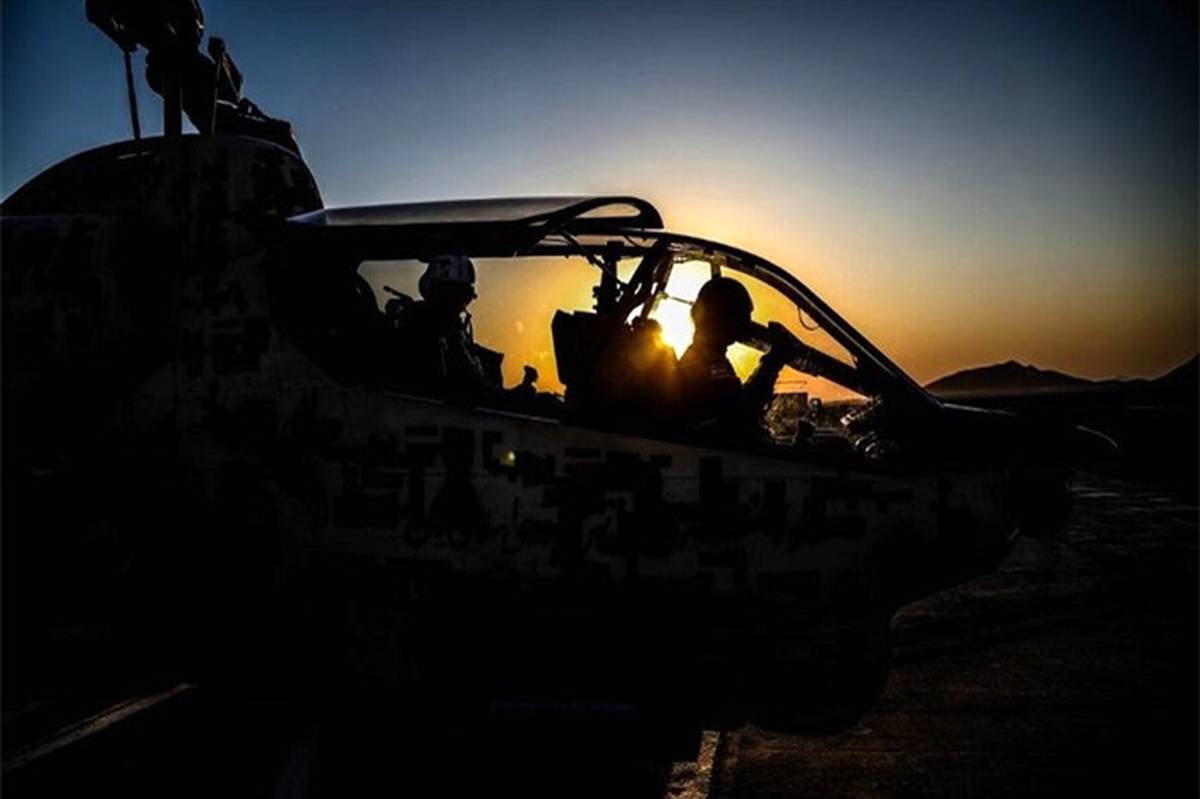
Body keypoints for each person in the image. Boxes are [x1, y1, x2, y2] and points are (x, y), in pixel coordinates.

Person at [676, 276, 788, 435]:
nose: (749, 323)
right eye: (744, 315)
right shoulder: (707, 364)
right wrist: (773, 362)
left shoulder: (708, 358)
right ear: (724, 317)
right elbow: (742, 413)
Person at [391, 255, 492, 398]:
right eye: (456, 293)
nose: (462, 303)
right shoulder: (423, 330)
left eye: (465, 295)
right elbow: (459, 390)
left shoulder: (453, 329)